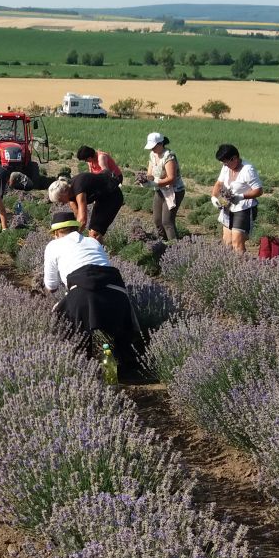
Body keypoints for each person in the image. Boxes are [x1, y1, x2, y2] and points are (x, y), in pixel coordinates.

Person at [42, 209, 141, 376]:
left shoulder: (53, 246)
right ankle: (120, 371)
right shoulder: (92, 242)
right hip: (116, 292)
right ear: (75, 228)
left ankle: (84, 375)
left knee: (73, 335)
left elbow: (51, 286)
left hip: (82, 293)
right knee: (112, 337)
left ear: (58, 232)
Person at [212, 143, 263, 255]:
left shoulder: (248, 170)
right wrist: (214, 197)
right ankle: (230, 267)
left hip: (243, 208)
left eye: (226, 162)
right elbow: (219, 184)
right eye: (223, 163)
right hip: (227, 206)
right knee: (227, 242)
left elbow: (259, 190)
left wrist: (242, 196)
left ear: (234, 158)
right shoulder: (226, 167)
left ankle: (243, 268)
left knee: (237, 243)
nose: (225, 165)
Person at [47, 170, 123, 242]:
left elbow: (83, 219)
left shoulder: (79, 188)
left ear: (64, 192)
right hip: (102, 199)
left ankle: (98, 254)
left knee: (94, 234)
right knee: (92, 234)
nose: (61, 203)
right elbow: (77, 218)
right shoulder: (70, 196)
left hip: (113, 195)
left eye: (60, 200)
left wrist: (73, 238)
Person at [144, 131, 186, 241]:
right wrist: (145, 180)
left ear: (160, 144)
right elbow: (150, 173)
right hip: (160, 190)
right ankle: (163, 243)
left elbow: (171, 179)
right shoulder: (152, 155)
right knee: (157, 220)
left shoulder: (169, 156)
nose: (151, 149)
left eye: (153, 147)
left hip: (174, 191)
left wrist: (155, 183)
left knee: (167, 221)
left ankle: (175, 248)